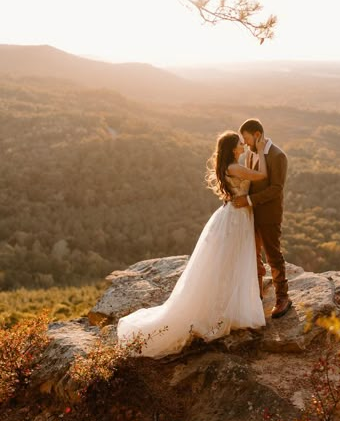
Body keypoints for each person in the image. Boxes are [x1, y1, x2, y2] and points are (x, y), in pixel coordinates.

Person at [116, 131, 268, 359]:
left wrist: (251, 152)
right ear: (232, 148)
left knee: (231, 263)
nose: (242, 145)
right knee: (229, 264)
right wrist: (262, 149)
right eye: (239, 143)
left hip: (236, 216)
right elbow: (262, 175)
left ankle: (228, 307)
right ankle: (220, 311)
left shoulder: (232, 164)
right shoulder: (234, 168)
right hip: (236, 219)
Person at [232, 119, 291, 319]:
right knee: (253, 255)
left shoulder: (277, 155)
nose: (245, 143)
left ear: (257, 135)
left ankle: (283, 298)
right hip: (250, 215)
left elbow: (276, 189)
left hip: (269, 215)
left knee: (273, 256)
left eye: (247, 138)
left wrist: (248, 200)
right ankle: (256, 296)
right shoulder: (250, 154)